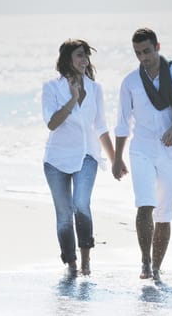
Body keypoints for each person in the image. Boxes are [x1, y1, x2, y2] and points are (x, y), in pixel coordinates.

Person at [112, 28, 172, 281]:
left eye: (146, 51)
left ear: (157, 46)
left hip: (170, 150)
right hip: (142, 149)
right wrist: (117, 158)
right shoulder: (130, 82)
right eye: (137, 53)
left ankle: (156, 268)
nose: (143, 57)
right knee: (145, 204)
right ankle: (145, 261)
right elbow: (123, 123)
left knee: (165, 212)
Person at [42, 39, 117, 276]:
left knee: (81, 204)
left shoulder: (95, 89)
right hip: (56, 160)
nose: (84, 60)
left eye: (86, 56)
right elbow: (52, 124)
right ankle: (71, 264)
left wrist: (115, 159)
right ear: (67, 60)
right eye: (79, 56)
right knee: (64, 215)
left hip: (87, 155)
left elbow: (101, 126)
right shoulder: (52, 88)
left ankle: (86, 261)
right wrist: (72, 99)